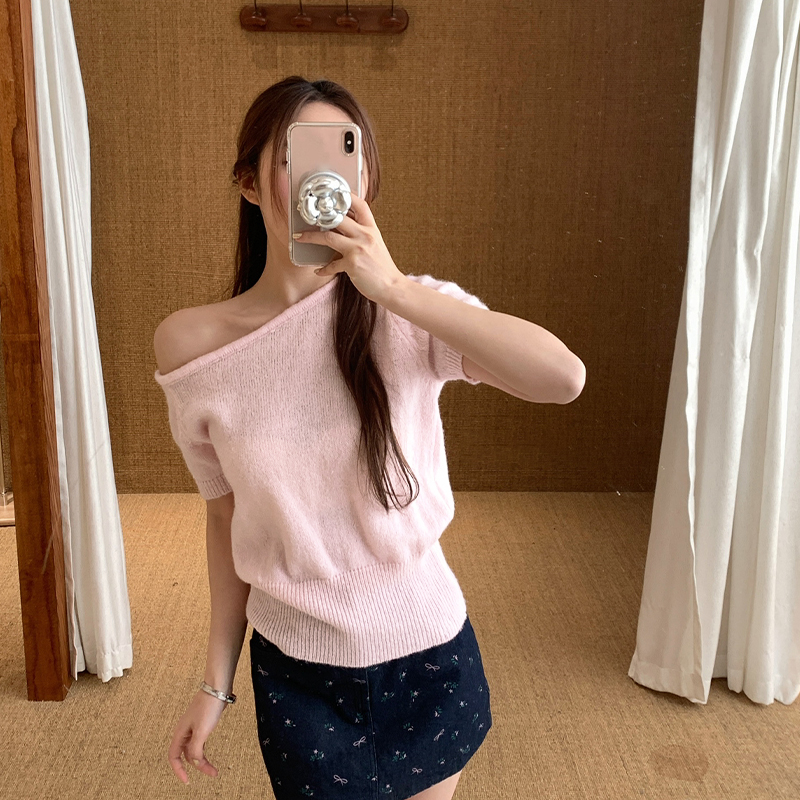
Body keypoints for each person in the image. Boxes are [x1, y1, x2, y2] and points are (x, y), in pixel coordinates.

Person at [154, 75, 583, 800]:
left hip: (429, 652)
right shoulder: (191, 346)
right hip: (299, 672)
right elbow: (225, 516)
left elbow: (563, 378)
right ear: (249, 184)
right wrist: (214, 683)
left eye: (345, 155)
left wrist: (396, 291)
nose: (324, 179)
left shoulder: (412, 312)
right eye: (296, 156)